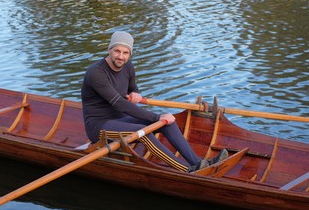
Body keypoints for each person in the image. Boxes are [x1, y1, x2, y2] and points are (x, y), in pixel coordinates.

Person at [81, 31, 228, 172]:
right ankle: (189, 170)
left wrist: (136, 94)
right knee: (144, 132)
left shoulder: (128, 67)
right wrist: (156, 117)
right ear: (109, 49)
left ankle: (197, 162)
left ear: (130, 54)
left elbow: (133, 90)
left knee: (168, 123)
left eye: (125, 53)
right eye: (117, 51)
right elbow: (120, 103)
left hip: (121, 119)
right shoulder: (96, 73)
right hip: (98, 127)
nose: (120, 57)